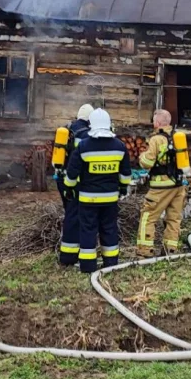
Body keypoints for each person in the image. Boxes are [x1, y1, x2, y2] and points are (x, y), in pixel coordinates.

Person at [65, 108, 131, 274]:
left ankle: (88, 266)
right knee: (109, 228)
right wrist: (122, 188)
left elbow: (72, 173)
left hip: (88, 199)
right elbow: (126, 174)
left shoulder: (84, 146)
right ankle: (111, 263)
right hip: (110, 199)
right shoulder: (120, 146)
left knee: (88, 230)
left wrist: (69, 188)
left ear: (91, 124)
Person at [136, 109, 187, 257]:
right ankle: (170, 250)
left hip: (161, 187)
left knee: (148, 216)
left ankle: (145, 251)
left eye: (154, 120)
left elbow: (147, 162)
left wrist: (142, 156)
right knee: (174, 218)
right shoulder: (178, 137)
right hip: (179, 185)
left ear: (157, 122)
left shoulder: (156, 139)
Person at [57, 103, 93, 267]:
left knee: (70, 214)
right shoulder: (86, 135)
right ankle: (69, 256)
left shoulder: (67, 130)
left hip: (61, 179)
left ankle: (70, 252)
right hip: (75, 181)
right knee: (75, 216)